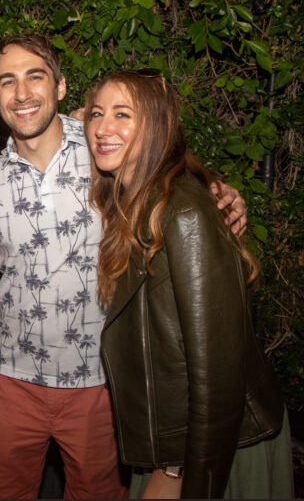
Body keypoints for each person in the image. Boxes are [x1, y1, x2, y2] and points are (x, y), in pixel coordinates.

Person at [0, 35, 248, 499]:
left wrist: (214, 188)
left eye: (35, 77)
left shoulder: (102, 147)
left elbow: (163, 162)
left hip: (101, 380)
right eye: (8, 82)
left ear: (61, 86)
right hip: (11, 378)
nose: (22, 94)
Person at [85, 69, 293, 499]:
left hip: (215, 447)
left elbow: (218, 370)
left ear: (157, 125)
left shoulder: (182, 214)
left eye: (123, 114)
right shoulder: (135, 201)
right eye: (96, 115)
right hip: (176, 440)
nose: (103, 128)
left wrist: (182, 473)